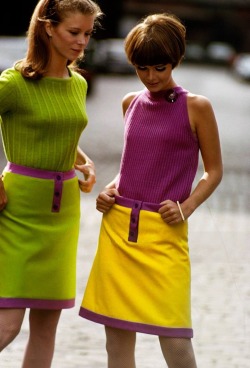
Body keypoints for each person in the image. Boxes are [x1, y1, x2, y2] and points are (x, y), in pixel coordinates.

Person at [79, 13, 223, 368]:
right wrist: (109, 190)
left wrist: (186, 207)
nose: (151, 77)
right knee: (116, 341)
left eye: (159, 67)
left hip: (164, 234)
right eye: (142, 68)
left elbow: (215, 171)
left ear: (176, 60)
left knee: (175, 342)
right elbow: (132, 165)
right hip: (118, 232)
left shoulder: (197, 107)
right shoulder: (131, 102)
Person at [0, 0, 103, 366]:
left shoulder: (77, 84)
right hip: (18, 210)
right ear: (47, 28)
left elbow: (61, 130)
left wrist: (83, 161)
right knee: (8, 324)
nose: (81, 42)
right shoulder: (13, 83)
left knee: (46, 327)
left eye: (87, 34)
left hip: (63, 213)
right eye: (73, 32)